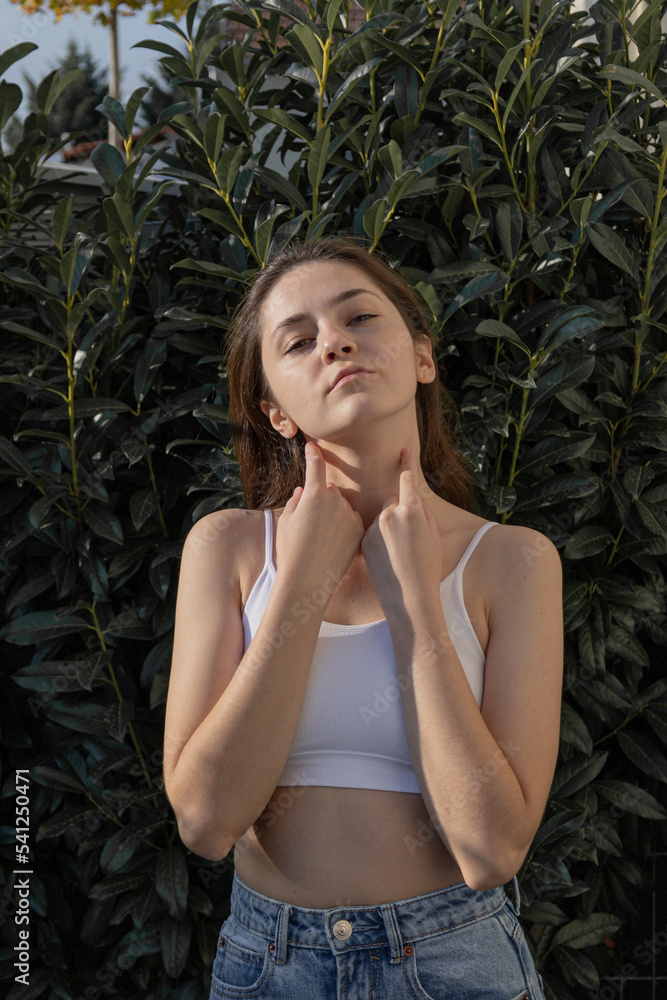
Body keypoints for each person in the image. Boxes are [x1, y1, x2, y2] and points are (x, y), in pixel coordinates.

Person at [163, 237, 563, 1000]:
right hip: (269, 966)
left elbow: (489, 849)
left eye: (357, 318)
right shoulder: (227, 549)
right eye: (299, 340)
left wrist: (416, 600)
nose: (335, 342)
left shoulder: (512, 561)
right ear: (275, 411)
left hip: (456, 962)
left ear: (421, 357)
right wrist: (302, 581)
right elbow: (207, 821)